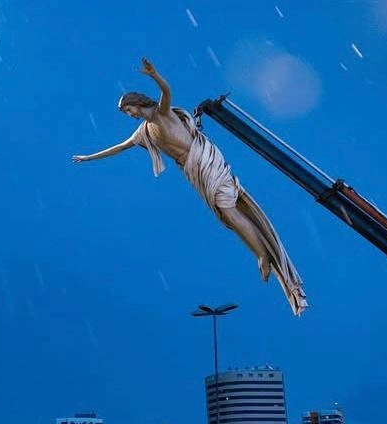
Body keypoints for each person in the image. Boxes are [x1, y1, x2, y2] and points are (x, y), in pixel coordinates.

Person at [72, 57, 308, 315]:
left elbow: (166, 91)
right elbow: (119, 147)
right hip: (192, 169)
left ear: (137, 103)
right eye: (126, 113)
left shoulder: (162, 113)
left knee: (228, 209)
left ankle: (262, 254)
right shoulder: (144, 132)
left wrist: (154, 75)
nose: (129, 115)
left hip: (204, 160)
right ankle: (259, 253)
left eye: (129, 110)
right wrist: (89, 157)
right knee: (225, 215)